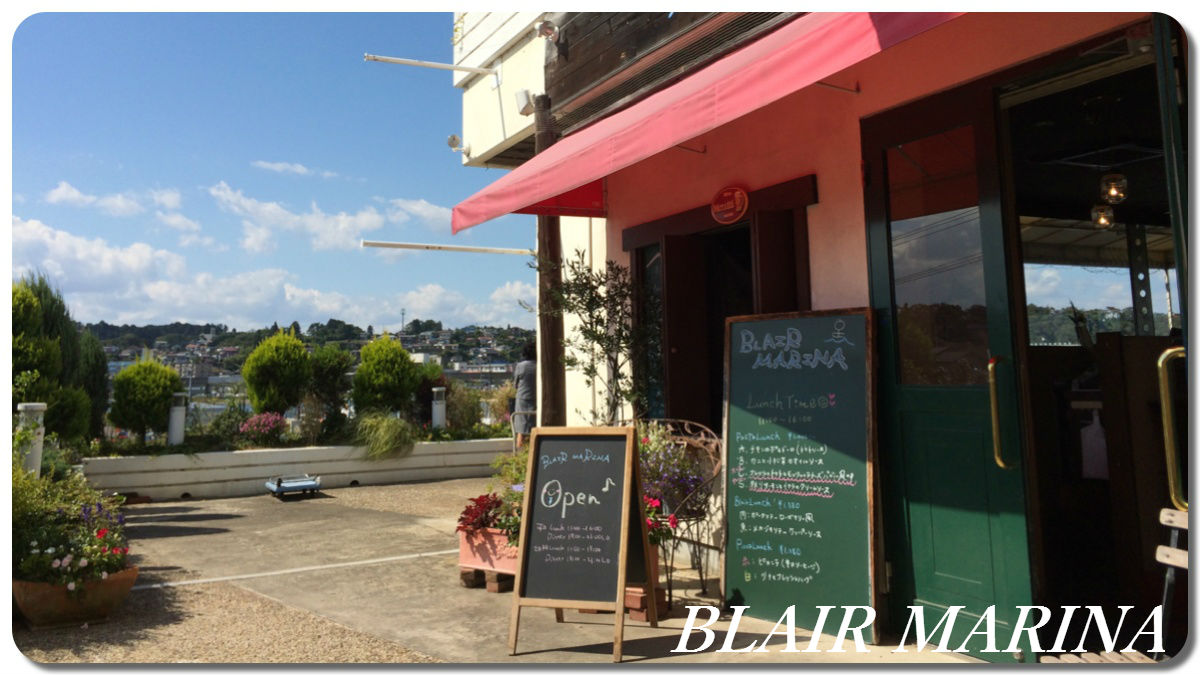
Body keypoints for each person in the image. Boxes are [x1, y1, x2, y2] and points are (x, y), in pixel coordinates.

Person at [512, 342, 537, 449]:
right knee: (535, 426)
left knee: (521, 429)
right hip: (537, 399)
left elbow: (515, 384)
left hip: (522, 398)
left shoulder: (520, 366)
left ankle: (519, 453)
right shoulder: (539, 365)